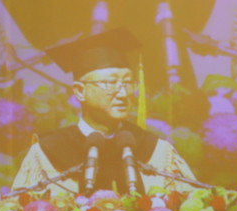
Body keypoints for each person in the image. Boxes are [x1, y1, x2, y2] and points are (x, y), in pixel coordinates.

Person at [12, 27, 196, 196]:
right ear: (80, 91)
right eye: (110, 83)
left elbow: (189, 207)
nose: (123, 94)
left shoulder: (157, 150)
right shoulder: (48, 151)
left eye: (127, 83)